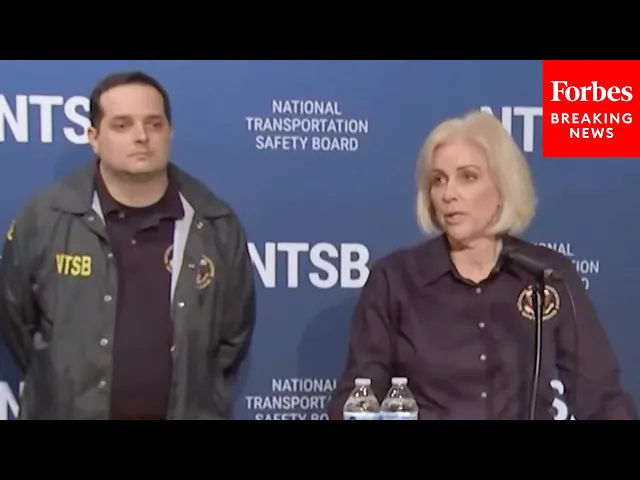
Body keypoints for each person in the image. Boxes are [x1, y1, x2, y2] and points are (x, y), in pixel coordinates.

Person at [328, 110, 637, 420]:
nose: (449, 194)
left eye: (468, 177)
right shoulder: (395, 279)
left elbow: (599, 397)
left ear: (503, 186)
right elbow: (358, 399)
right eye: (438, 180)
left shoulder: (546, 275)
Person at [0, 71, 256, 420]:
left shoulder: (215, 224)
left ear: (170, 132)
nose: (141, 137)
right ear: (94, 137)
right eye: (122, 125)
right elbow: (17, 318)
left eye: (154, 124)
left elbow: (232, 335)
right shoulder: (45, 218)